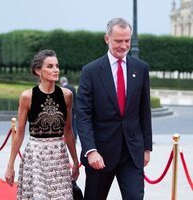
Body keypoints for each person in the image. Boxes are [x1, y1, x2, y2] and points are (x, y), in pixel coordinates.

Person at [76, 18, 152, 200]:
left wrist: (146, 148)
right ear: (107, 39)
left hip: (132, 154)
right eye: (118, 41)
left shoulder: (141, 69)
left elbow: (144, 110)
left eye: (127, 41)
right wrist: (90, 150)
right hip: (100, 155)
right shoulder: (91, 71)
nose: (124, 45)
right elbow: (83, 114)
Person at [5, 49, 79, 200]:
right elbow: (19, 133)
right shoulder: (27, 97)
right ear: (38, 71)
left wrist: (75, 161)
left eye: (57, 66)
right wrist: (10, 166)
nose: (56, 69)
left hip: (59, 157)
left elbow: (68, 131)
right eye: (50, 66)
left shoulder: (67, 96)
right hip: (36, 157)